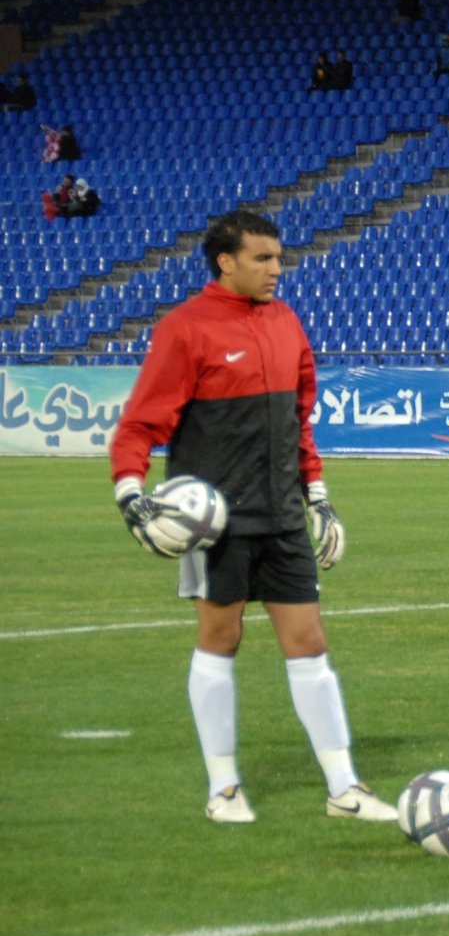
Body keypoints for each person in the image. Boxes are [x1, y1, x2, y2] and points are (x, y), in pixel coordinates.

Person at [108, 210, 397, 827]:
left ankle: (344, 788)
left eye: (278, 257)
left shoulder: (286, 321)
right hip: (215, 520)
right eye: (262, 259)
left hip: (283, 514)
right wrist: (130, 494)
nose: (276, 269)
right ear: (226, 262)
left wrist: (317, 496)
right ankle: (224, 787)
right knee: (221, 638)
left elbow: (298, 419)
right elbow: (140, 423)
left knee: (309, 642)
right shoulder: (184, 329)